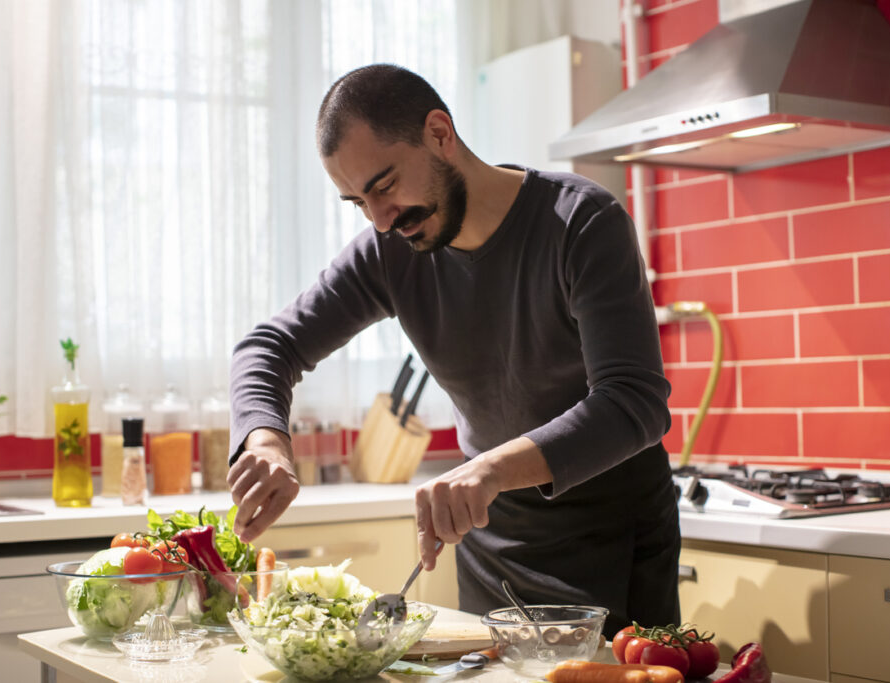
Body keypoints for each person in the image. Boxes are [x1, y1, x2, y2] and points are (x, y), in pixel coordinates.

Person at [226, 63, 680, 636]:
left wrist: (488, 468)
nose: (381, 221)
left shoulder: (581, 222)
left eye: (385, 186)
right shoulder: (389, 254)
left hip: (614, 536)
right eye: (357, 202)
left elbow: (634, 402)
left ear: (439, 134)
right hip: (491, 538)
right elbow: (269, 346)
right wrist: (266, 441)